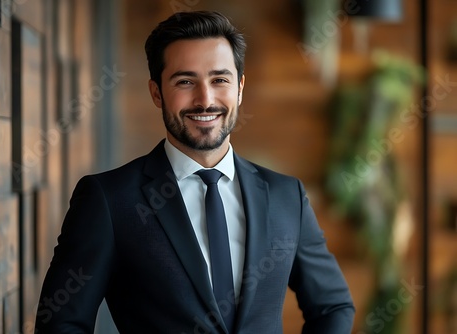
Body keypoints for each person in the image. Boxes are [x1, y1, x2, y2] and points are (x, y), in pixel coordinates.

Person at [35, 10, 355, 334]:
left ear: (240, 88)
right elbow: (60, 322)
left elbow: (333, 306)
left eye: (220, 80)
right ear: (157, 92)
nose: (205, 100)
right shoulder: (109, 200)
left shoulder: (287, 197)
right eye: (185, 81)